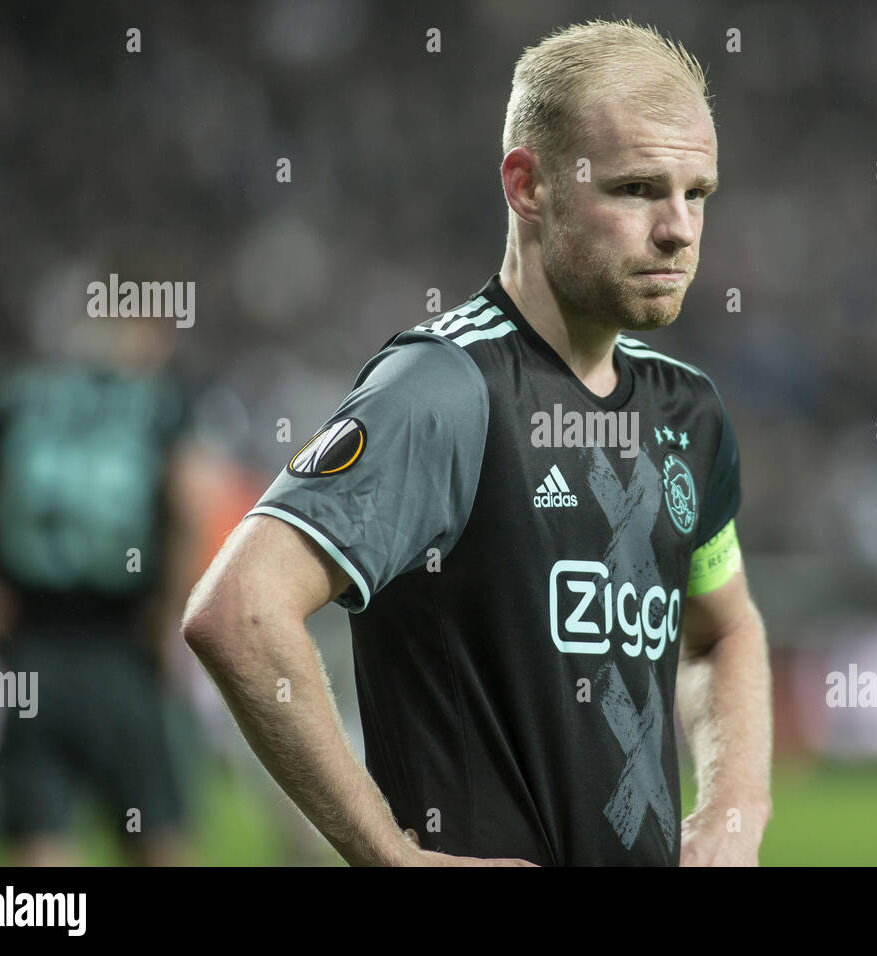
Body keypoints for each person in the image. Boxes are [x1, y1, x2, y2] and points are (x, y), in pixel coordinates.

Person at [182, 18, 773, 866]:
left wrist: (734, 811)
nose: (680, 229)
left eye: (698, 193)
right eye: (639, 189)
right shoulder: (445, 390)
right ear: (529, 186)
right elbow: (237, 611)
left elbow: (724, 632)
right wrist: (389, 855)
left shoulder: (691, 413)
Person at [0, 309, 209, 865]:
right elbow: (192, 503)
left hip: (31, 640)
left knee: (40, 855)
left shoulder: (11, 391)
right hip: (124, 643)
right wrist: (170, 614)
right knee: (156, 835)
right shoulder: (157, 398)